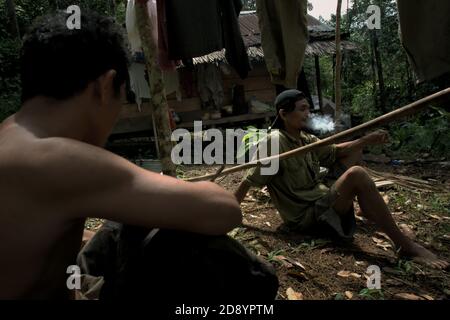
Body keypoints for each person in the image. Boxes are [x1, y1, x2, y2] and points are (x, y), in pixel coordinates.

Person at [0, 10, 277, 300]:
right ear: (106, 87)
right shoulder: (54, 159)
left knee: (126, 221)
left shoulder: (10, 135)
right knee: (194, 245)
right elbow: (224, 210)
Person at [235, 89, 448, 270]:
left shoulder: (304, 138)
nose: (308, 113)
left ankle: (366, 207)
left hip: (320, 198)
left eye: (308, 108)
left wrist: (365, 140)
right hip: (306, 215)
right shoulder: (274, 142)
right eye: (302, 109)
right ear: (283, 113)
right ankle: (405, 246)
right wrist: (232, 212)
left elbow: (333, 151)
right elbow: (249, 180)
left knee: (353, 150)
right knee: (356, 174)